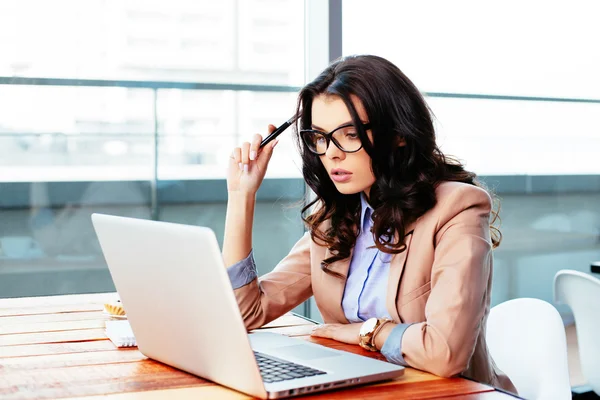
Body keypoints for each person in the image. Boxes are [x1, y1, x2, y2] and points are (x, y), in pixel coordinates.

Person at [222, 54, 516, 393]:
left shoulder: (457, 208)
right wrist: (241, 195)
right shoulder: (337, 220)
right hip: (363, 388)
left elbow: (445, 353)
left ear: (398, 135)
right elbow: (246, 314)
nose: (331, 153)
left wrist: (369, 331)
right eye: (319, 137)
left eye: (350, 134)